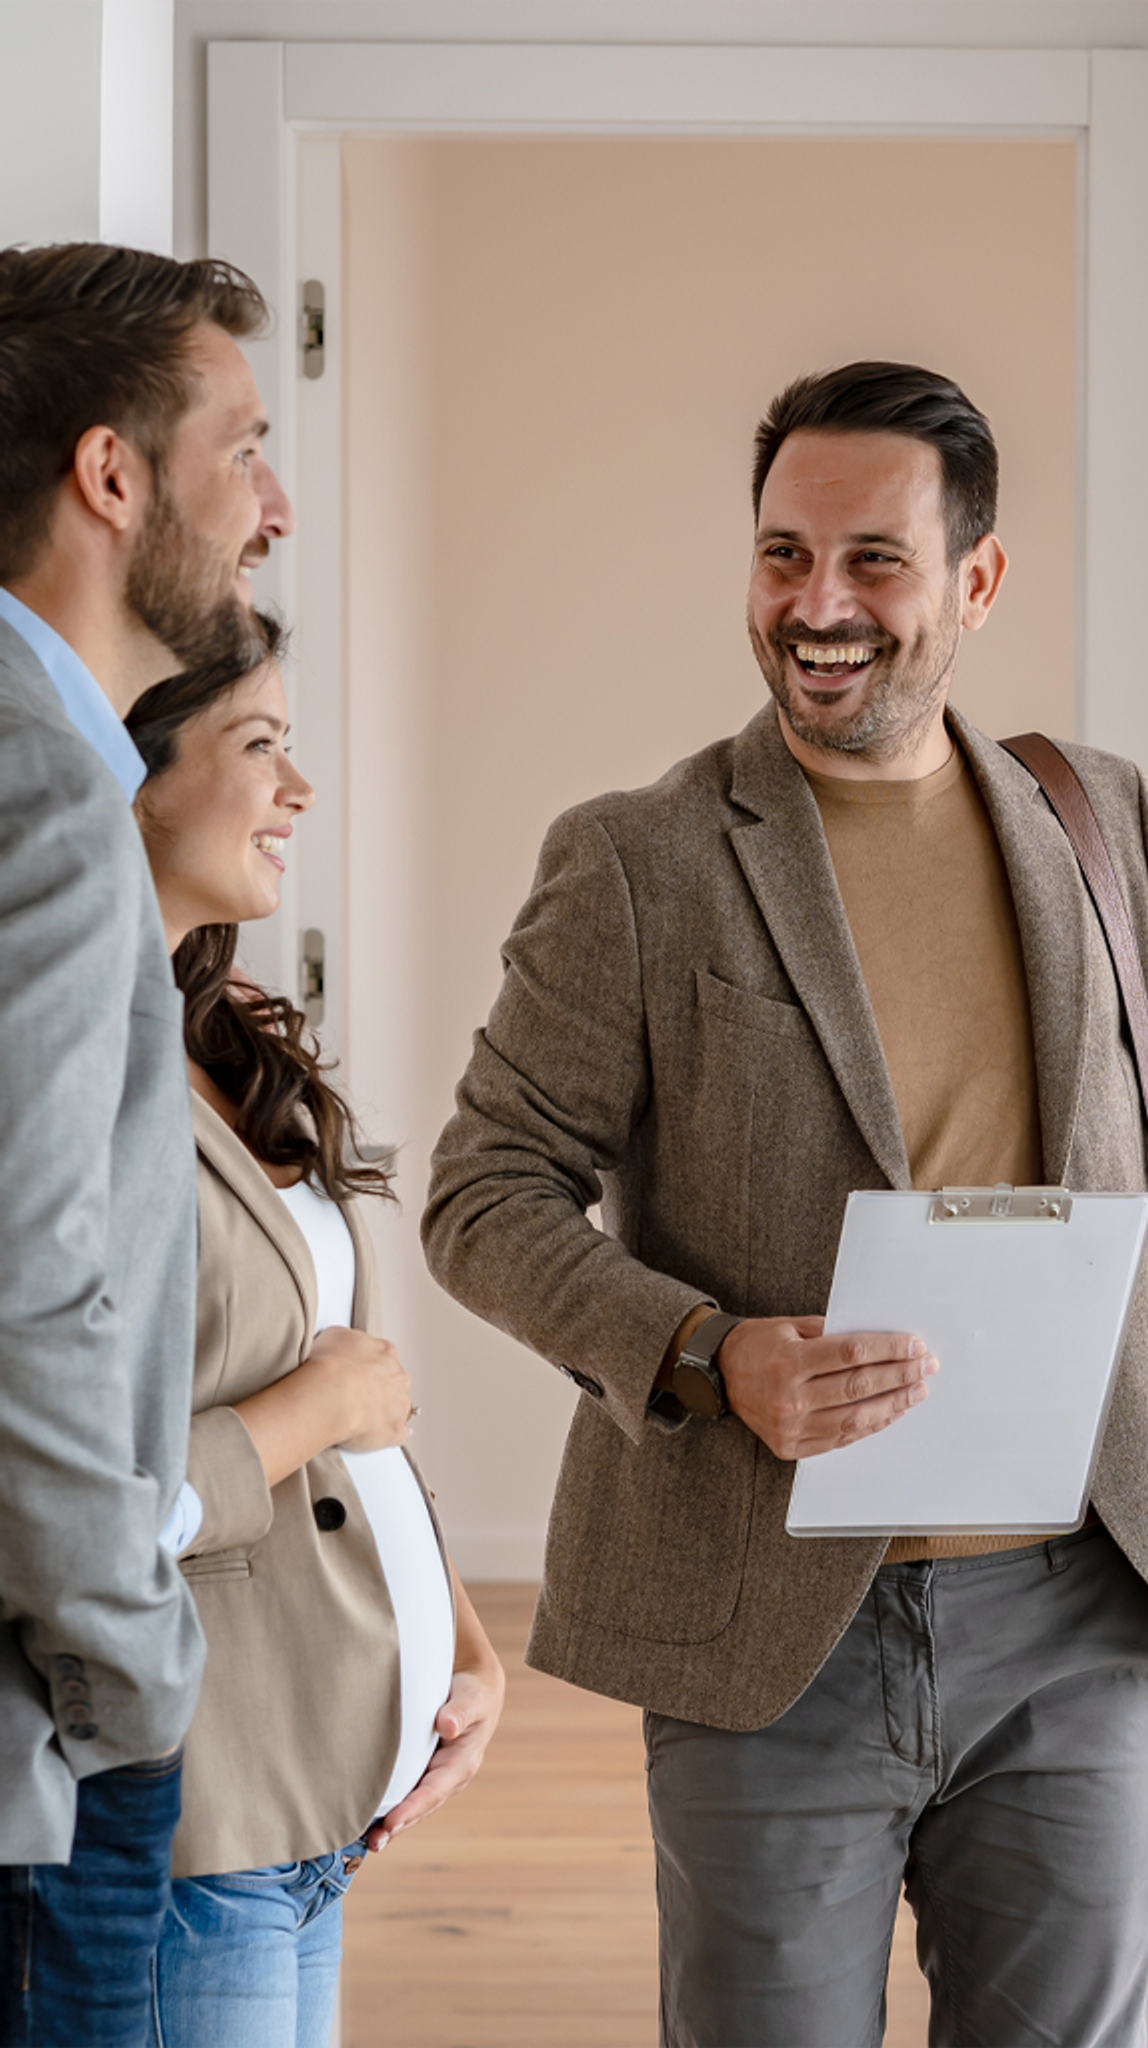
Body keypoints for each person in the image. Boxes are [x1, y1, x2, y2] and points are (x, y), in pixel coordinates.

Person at [422, 360, 1148, 2048]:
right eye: (784, 555)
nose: (818, 606)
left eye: (874, 560)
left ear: (976, 583)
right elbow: (483, 1191)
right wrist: (713, 1351)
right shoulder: (641, 859)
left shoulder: (1090, 824)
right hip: (766, 1614)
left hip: (1079, 1605)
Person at [121, 626, 505, 2046]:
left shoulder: (216, 1048)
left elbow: (364, 1396)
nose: (301, 791)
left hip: (321, 1805)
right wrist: (319, 1406)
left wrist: (460, 1640)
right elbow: (77, 1505)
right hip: (195, 1819)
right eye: (260, 746)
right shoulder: (54, 1077)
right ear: (132, 772)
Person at [0, 242, 293, 2044]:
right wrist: (133, 1674)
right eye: (245, 449)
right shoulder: (42, 790)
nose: (273, 507)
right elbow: (35, 1287)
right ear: (113, 475)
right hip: (49, 1748)